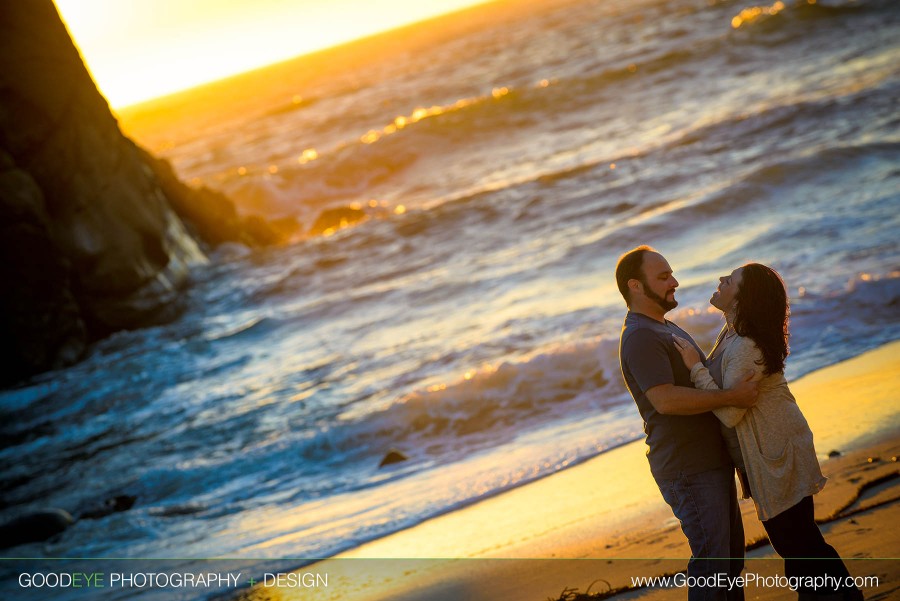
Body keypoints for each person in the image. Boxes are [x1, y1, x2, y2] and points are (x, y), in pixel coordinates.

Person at [672, 263, 864, 601]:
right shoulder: (732, 334)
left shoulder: (746, 345)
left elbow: (731, 411)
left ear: (743, 298)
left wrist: (694, 368)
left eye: (729, 280)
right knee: (799, 542)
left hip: (777, 452)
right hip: (770, 452)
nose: (720, 280)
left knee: (798, 544)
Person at [616, 246, 759, 601]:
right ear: (635, 285)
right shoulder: (641, 337)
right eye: (663, 277)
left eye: (671, 274)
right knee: (713, 569)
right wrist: (730, 397)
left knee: (728, 566)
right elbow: (664, 400)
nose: (674, 282)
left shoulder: (661, 326)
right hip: (687, 467)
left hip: (708, 461)